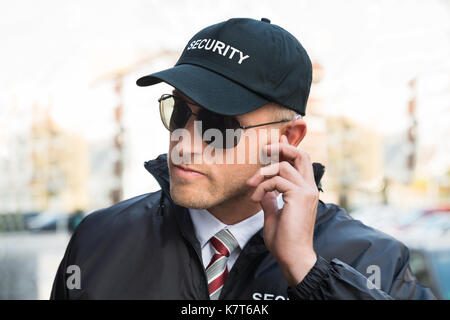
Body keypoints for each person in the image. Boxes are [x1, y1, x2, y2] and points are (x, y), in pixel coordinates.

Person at [50, 17, 435, 300]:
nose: (185, 141)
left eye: (220, 123)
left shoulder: (373, 259)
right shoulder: (99, 239)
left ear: (288, 137)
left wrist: (308, 272)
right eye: (180, 112)